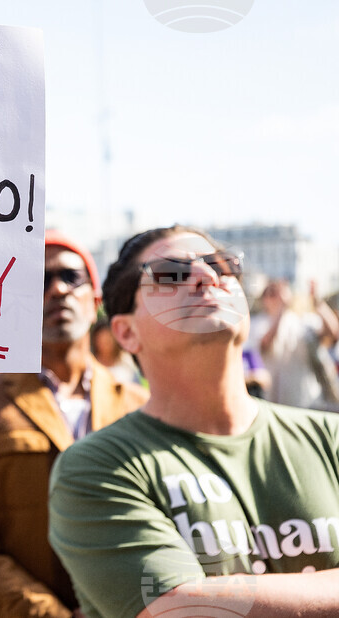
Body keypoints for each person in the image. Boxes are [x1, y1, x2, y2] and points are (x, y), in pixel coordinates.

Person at [48, 226, 339, 618]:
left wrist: (215, 595)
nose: (207, 276)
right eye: (171, 273)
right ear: (126, 332)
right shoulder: (94, 468)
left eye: (224, 266)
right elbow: (183, 610)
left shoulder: (329, 438)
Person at [0, 230, 147, 618]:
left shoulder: (141, 406)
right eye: (39, 281)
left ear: (95, 299)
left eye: (70, 278)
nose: (57, 291)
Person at [249, 279, 339, 410]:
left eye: (280, 291)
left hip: (308, 400)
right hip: (275, 403)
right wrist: (281, 309)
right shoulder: (258, 323)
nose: (277, 296)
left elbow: (332, 333)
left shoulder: (303, 320)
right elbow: (265, 344)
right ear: (263, 300)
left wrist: (318, 302)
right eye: (271, 292)